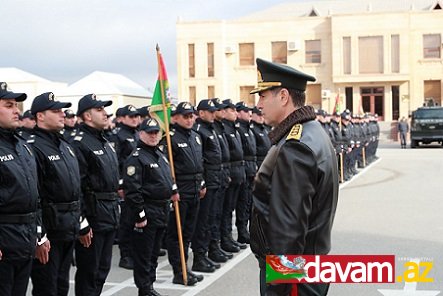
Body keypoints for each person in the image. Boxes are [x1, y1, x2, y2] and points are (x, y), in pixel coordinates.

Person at [249, 59, 339, 296]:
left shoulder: (295, 146)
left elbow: (288, 230)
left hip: (295, 275)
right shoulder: (312, 131)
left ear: (283, 96)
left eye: (263, 96)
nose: (258, 104)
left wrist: (279, 287)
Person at [28, 92, 81, 296]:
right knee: (47, 287)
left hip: (68, 226)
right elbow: (35, 195)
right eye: (56, 111)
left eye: (62, 110)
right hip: (50, 229)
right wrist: (40, 235)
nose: (62, 114)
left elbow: (75, 187)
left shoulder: (65, 146)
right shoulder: (34, 147)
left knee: (61, 284)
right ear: (40, 116)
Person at [71, 94, 120, 295]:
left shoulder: (104, 140)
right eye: (99, 110)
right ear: (87, 116)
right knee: (89, 272)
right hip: (93, 215)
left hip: (108, 213)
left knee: (102, 270)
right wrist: (82, 221)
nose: (105, 113)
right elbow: (78, 186)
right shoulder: (80, 143)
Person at [123, 118, 178, 296]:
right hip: (147, 211)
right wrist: (140, 216)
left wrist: (173, 190)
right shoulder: (136, 158)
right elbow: (132, 191)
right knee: (144, 255)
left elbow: (167, 177)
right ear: (141, 134)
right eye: (150, 133)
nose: (154, 136)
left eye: (156, 132)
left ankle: (150, 286)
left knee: (154, 253)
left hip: (161, 210)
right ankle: (144, 288)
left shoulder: (159, 154)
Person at [0, 82, 40, 296]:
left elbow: (35, 196)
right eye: (9, 105)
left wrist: (39, 235)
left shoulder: (22, 146)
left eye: (16, 105)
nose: (17, 111)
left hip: (24, 240)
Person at [162, 102, 204, 286]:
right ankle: (179, 271)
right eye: (185, 116)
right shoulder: (169, 139)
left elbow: (199, 162)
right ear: (175, 117)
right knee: (176, 234)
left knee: (187, 233)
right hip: (180, 190)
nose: (189, 119)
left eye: (191, 116)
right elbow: (166, 167)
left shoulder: (195, 136)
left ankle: (186, 268)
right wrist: (173, 189)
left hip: (194, 188)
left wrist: (201, 182)